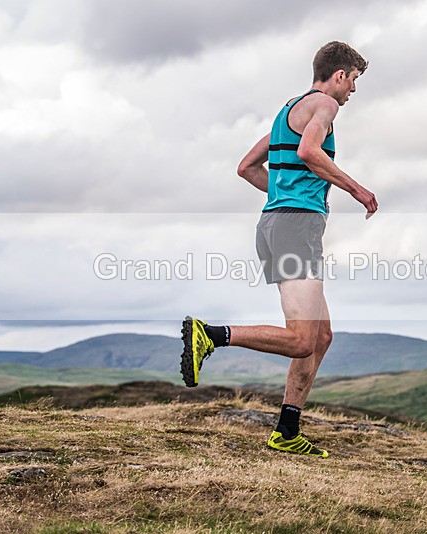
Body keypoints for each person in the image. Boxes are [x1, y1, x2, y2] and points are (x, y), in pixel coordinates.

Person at [181, 41, 377, 458]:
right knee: (303, 338)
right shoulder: (325, 105)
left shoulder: (289, 110)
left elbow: (246, 167)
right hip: (295, 225)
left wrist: (284, 194)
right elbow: (308, 152)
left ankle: (287, 430)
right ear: (339, 75)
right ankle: (212, 335)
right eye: (354, 80)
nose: (353, 91)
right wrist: (355, 188)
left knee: (321, 336)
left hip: (275, 224)